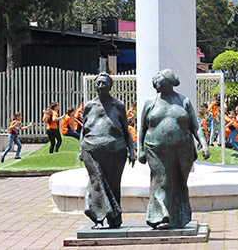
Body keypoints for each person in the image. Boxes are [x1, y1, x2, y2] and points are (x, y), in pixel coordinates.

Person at [138, 69, 210, 230]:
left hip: (182, 150)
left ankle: (178, 216)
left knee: (179, 183)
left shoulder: (184, 101)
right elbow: (142, 127)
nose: (155, 82)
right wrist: (140, 150)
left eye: (158, 79)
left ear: (169, 81)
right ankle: (160, 216)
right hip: (155, 149)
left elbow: (195, 126)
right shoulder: (150, 103)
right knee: (161, 180)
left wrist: (204, 145)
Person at [79, 73, 135, 229]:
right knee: (96, 183)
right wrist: (81, 148)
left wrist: (131, 150)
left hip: (115, 151)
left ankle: (114, 219)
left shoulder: (118, 105)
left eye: (104, 83)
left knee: (113, 184)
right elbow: (84, 129)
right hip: (91, 149)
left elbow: (126, 129)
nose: (101, 86)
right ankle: (98, 218)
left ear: (110, 86)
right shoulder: (89, 105)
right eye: (98, 83)